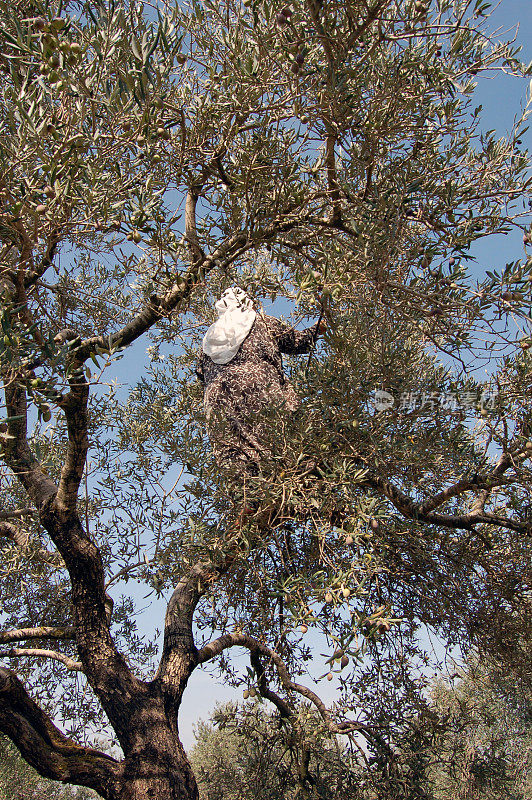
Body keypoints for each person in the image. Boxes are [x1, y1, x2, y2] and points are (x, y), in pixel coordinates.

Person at [197, 287, 325, 475]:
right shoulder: (261, 322)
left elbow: (201, 373)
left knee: (233, 452)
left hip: (218, 399)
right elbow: (297, 341)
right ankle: (303, 479)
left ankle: (247, 498)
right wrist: (320, 327)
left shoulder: (209, 339)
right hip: (258, 389)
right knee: (286, 446)